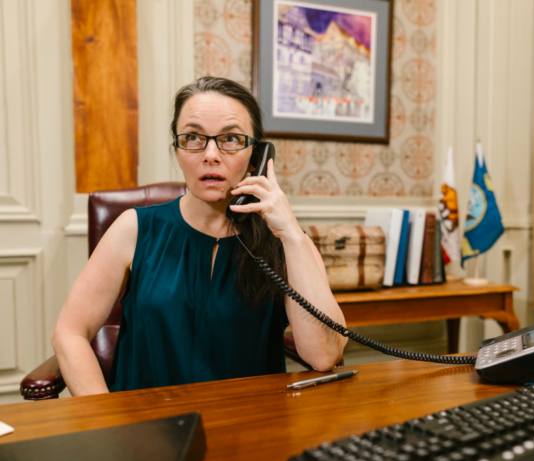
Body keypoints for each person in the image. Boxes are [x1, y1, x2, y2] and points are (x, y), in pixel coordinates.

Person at [51, 77, 347, 396]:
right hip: (144, 430)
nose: (210, 154)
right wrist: (104, 421)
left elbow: (323, 356)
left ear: (256, 156)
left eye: (231, 138)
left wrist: (290, 233)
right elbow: (69, 332)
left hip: (252, 428)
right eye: (193, 137)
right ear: (177, 150)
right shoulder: (134, 228)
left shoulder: (284, 242)